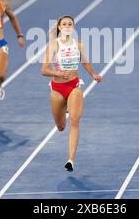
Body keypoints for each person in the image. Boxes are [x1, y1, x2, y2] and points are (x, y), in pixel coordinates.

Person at [41, 15, 103, 172]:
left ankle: (70, 160)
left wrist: (93, 74)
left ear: (73, 27)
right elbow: (44, 69)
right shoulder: (54, 45)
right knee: (61, 126)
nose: (67, 26)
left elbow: (85, 62)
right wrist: (58, 73)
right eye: (64, 24)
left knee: (74, 121)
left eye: (70, 24)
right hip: (57, 89)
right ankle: (64, 107)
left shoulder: (78, 44)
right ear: (60, 27)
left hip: (74, 85)